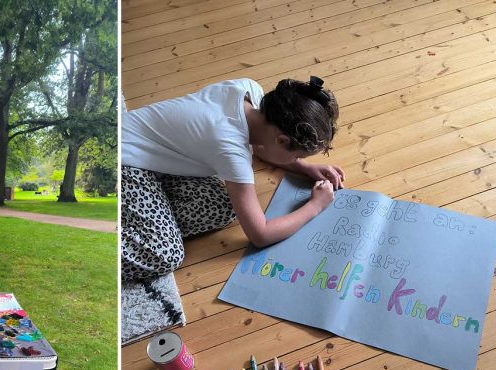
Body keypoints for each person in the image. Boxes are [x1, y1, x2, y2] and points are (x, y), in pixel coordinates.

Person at [121, 76, 343, 282]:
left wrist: (306, 167)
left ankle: (144, 215)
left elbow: (260, 145)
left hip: (156, 156)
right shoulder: (228, 146)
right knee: (165, 255)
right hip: (124, 162)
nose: (297, 160)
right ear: (283, 140)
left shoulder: (249, 91)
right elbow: (260, 234)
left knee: (222, 207)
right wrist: (315, 206)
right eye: (297, 155)